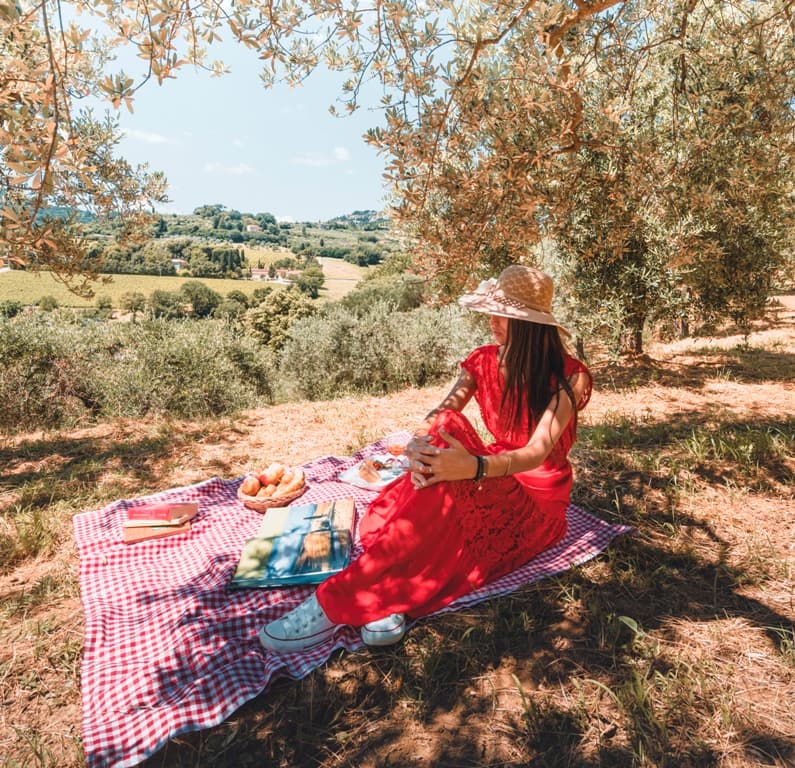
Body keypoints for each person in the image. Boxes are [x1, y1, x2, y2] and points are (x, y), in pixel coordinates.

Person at [259, 264, 592, 653]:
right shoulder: (483, 360)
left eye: (503, 315)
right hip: (495, 472)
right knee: (445, 431)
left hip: (536, 502)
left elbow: (536, 452)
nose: (491, 322)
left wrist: (474, 468)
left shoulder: (572, 376)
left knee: (444, 484)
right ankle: (390, 596)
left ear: (530, 324)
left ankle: (334, 603)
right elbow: (441, 413)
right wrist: (419, 442)